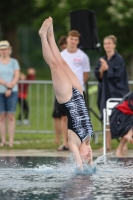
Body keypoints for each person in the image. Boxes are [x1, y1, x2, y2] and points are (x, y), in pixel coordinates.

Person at [39, 17, 93, 169]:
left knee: (54, 65)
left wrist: (82, 165)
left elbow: (80, 165)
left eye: (87, 156)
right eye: (90, 155)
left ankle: (43, 35)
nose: (89, 154)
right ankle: (51, 35)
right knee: (62, 62)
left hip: (68, 99)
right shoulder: (87, 141)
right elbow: (90, 160)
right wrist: (90, 161)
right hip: (80, 95)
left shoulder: (74, 143)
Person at [94, 35, 129, 151]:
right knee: (106, 118)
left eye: (109, 43)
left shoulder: (118, 59)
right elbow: (98, 77)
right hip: (105, 92)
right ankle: (107, 145)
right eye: (105, 44)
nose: (107, 46)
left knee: (123, 117)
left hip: (118, 92)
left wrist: (107, 69)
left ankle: (124, 145)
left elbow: (118, 75)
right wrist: (102, 70)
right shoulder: (102, 60)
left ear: (114, 45)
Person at [0, 40, 20, 147]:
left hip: (12, 90)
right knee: (2, 116)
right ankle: (3, 140)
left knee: (11, 115)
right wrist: (6, 84)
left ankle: (11, 140)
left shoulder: (14, 62)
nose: (3, 51)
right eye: (2, 49)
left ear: (9, 50)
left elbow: (16, 75)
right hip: (1, 90)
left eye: (5, 49)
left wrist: (11, 86)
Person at [61, 30, 91, 95]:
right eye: (71, 39)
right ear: (67, 39)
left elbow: (86, 73)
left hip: (78, 90)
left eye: (75, 39)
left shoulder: (83, 56)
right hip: (63, 89)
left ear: (78, 41)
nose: (73, 41)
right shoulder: (61, 55)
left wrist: (79, 85)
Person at [52, 36, 68, 151]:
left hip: (69, 88)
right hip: (61, 89)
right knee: (58, 116)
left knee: (67, 117)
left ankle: (68, 140)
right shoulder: (60, 55)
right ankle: (60, 139)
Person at [110, 91, 133, 157]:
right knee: (128, 127)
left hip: (128, 116)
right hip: (119, 115)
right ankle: (119, 150)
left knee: (128, 127)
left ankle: (129, 135)